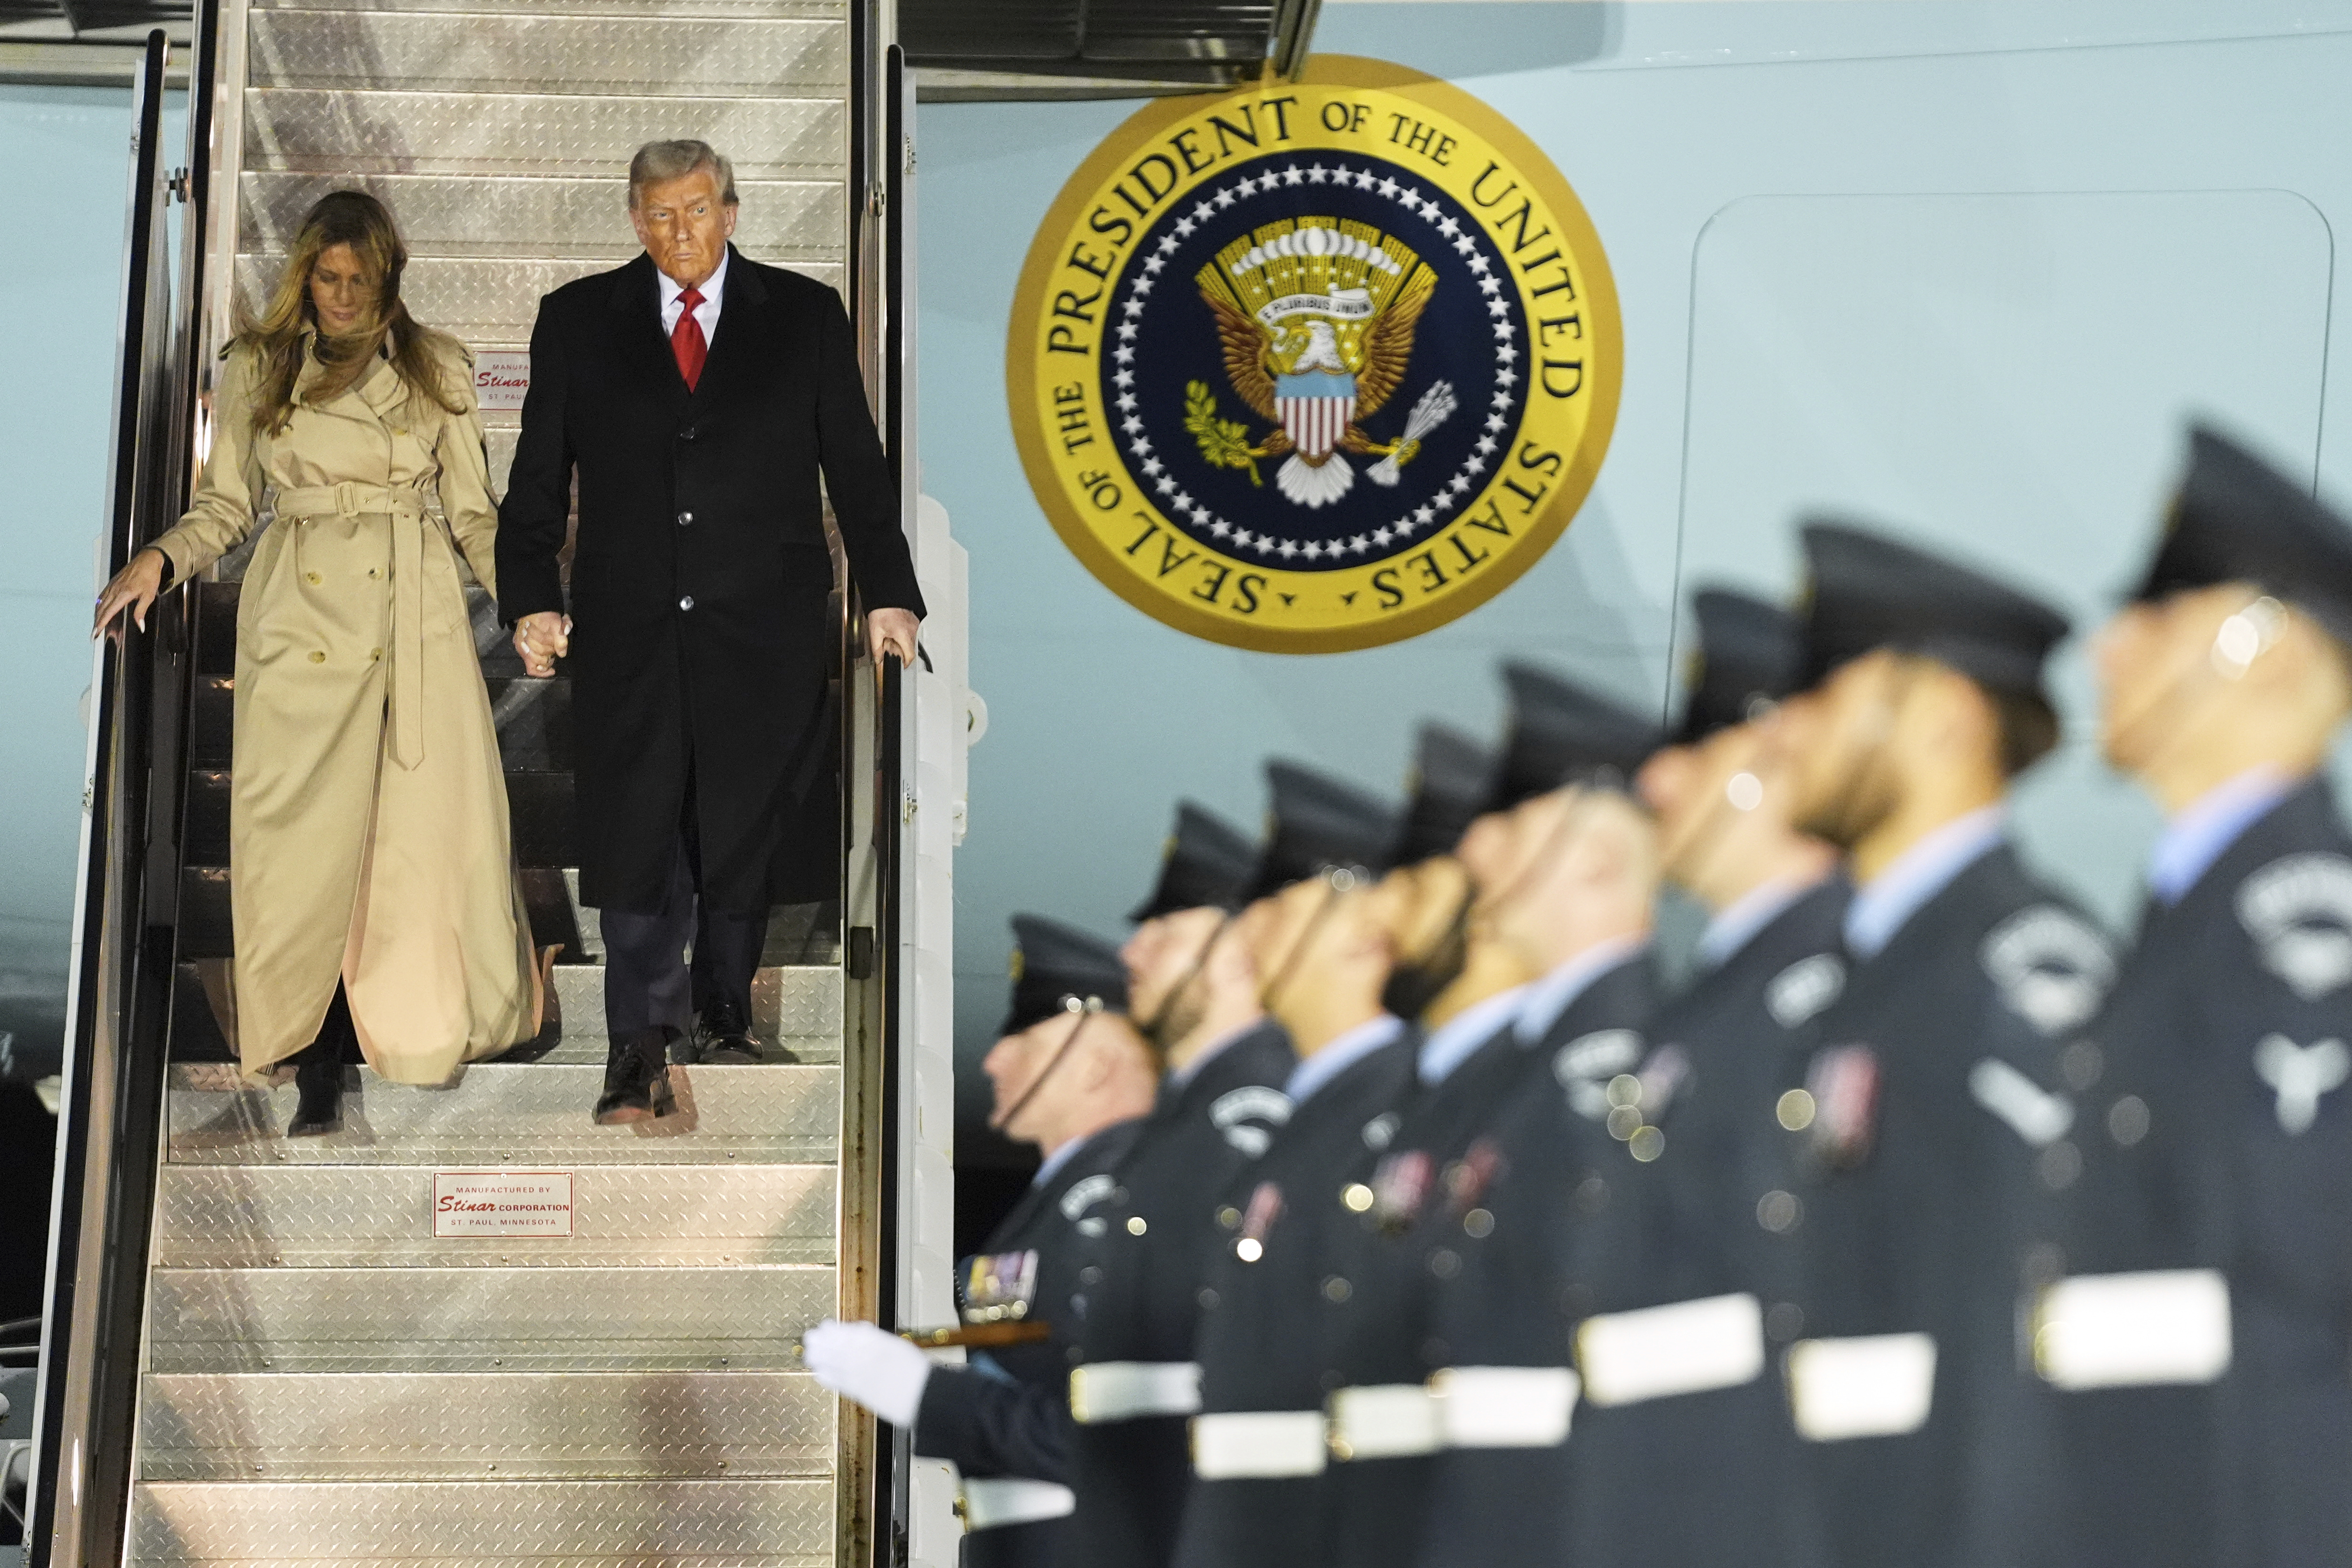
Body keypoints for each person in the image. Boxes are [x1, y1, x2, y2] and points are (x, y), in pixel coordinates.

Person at [93, 190, 544, 1135]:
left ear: (388, 281)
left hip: (410, 625)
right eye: (327, 277)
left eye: (359, 280)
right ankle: (311, 1045)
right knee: (296, 845)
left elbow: (473, 515)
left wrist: (529, 608)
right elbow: (227, 509)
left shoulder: (436, 370)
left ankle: (391, 1033)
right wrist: (160, 559)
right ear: (306, 273)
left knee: (414, 850)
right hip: (299, 617)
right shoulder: (260, 368)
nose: (341, 296)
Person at [496, 138, 924, 1123]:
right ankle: (634, 1039)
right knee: (638, 820)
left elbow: (855, 469)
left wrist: (889, 594)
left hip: (762, 618)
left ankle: (725, 1004)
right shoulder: (577, 319)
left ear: (732, 212)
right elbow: (536, 478)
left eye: (695, 211)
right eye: (656, 214)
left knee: (743, 813)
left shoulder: (806, 316)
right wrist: (530, 595)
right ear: (633, 219)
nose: (677, 232)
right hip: (630, 618)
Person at [1759, 523, 2114, 1568]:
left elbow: (2026, 1327)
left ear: (1945, 715)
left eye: (1822, 693)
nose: (1783, 733)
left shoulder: (2020, 963)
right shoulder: (1859, 979)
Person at [2050, 428, 2352, 1568]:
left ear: (2259, 644)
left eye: (2158, 613)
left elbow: (2295, 1296)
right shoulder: (2196, 921)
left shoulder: (2297, 924)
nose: (2110, 646)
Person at [1320, 666, 1663, 1568]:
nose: (1482, 862)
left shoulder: (1601, 1068)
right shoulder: (1511, 1080)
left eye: (1509, 834)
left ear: (1589, 855)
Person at [1561, 587, 1845, 1568]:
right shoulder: (1717, 997)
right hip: (1664, 1490)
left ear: (1770, 763)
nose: (1658, 778)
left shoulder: (1824, 987)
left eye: (1697, 746)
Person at [1175, 726, 1487, 1568]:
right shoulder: (1319, 1119)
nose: (1245, 940)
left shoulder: (1391, 1118)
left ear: (1358, 935)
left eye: (1277, 910)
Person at [804, 915, 1156, 1568]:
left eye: (1027, 1042)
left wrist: (921, 1392)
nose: (996, 1058)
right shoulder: (1066, 1201)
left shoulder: (1122, 1210)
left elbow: (1120, 1442)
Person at [1060, 778, 1316, 1568]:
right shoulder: (1185, 1114)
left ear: (1236, 955)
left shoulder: (1254, 1114)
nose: (1131, 952)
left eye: (1164, 937)